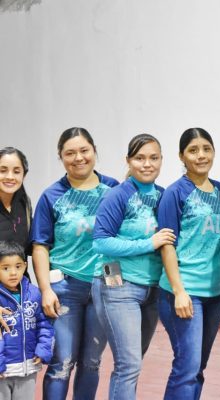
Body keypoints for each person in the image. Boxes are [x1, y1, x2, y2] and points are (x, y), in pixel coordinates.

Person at [30, 127, 119, 400]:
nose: (78, 158)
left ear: (94, 151)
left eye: (84, 151)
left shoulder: (114, 189)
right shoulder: (52, 195)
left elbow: (121, 238)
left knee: (92, 362)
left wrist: (116, 285)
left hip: (105, 285)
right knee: (62, 362)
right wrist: (45, 289)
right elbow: (40, 246)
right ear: (61, 157)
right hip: (65, 288)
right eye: (70, 153)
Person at [91, 134, 175, 400]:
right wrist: (149, 243)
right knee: (128, 365)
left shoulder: (164, 195)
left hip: (152, 288)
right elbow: (101, 242)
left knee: (133, 362)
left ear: (161, 160)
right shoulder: (118, 195)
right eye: (140, 158)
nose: (147, 164)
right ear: (128, 160)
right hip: (116, 282)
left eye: (153, 158)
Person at [157, 127, 220, 400]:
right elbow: (167, 245)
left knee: (198, 367)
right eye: (193, 150)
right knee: (187, 367)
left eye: (206, 149)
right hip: (185, 291)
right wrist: (179, 291)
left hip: (216, 291)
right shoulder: (175, 193)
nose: (201, 155)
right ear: (181, 156)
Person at [0, 240, 54, 400]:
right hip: (3, 370)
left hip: (27, 367)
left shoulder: (34, 293)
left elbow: (44, 325)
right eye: (5, 268)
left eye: (18, 266)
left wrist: (43, 349)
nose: (13, 273)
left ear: (25, 266)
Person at [0, 147, 32, 332]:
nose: (10, 176)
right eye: (3, 170)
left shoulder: (24, 203)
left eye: (16, 171)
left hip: (19, 296)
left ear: (24, 175)